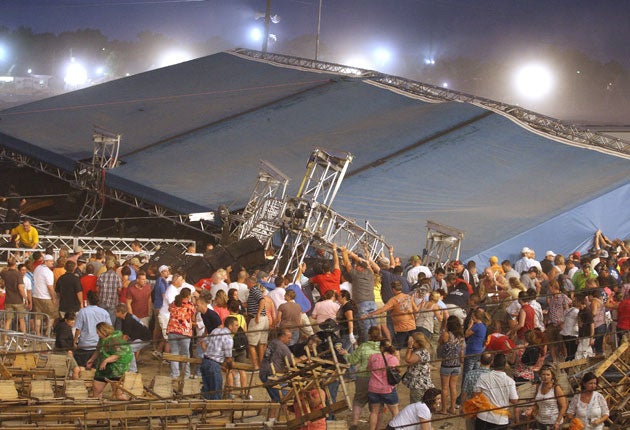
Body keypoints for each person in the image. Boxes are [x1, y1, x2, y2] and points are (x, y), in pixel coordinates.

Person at [346, 326, 382, 430]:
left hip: (363, 377)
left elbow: (353, 360)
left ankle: (354, 422)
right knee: (377, 405)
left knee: (358, 400)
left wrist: (345, 354)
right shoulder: (383, 347)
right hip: (378, 378)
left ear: (369, 335)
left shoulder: (363, 346)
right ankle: (377, 427)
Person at [471, 353, 518, 430]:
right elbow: (514, 400)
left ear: (492, 362)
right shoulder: (510, 381)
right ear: (505, 365)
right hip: (500, 420)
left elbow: (475, 394)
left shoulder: (483, 377)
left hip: (483, 416)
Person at [365, 281, 418, 350]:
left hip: (401, 327)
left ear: (393, 289)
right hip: (411, 324)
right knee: (413, 344)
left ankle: (396, 359)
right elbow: (416, 310)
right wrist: (414, 319)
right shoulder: (408, 297)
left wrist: (369, 314)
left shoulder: (393, 300)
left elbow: (382, 310)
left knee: (397, 348)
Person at [199, 316, 240, 400]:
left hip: (205, 362)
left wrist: (209, 353)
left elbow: (202, 342)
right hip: (214, 365)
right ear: (230, 326)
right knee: (216, 392)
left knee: (207, 391)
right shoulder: (228, 339)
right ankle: (214, 410)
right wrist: (232, 365)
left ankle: (204, 410)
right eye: (236, 325)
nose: (237, 327)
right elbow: (228, 358)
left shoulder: (215, 331)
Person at [259, 328, 295, 419]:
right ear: (282, 336)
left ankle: (270, 420)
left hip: (263, 373)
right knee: (285, 397)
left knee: (275, 398)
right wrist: (301, 359)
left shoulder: (272, 342)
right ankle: (289, 420)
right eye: (288, 338)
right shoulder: (282, 347)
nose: (290, 340)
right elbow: (292, 361)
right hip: (272, 375)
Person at [367, 339, 400, 430]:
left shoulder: (373, 357)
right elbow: (398, 370)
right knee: (395, 412)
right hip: (388, 389)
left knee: (374, 412)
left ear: (381, 348)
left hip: (373, 388)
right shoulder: (393, 359)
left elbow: (368, 368)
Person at [73, 290, 112, 367]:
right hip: (99, 345)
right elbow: (109, 329)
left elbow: (78, 329)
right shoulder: (104, 312)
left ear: (87, 300)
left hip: (85, 345)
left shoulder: (83, 312)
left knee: (82, 368)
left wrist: (75, 341)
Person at [438, 315, 465, 415]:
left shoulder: (446, 334)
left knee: (444, 388)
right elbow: (462, 352)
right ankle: (452, 408)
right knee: (453, 387)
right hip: (457, 365)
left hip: (446, 364)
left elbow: (440, 345)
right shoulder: (460, 337)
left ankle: (444, 409)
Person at [166, 288, 195, 379]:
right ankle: (186, 374)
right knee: (185, 354)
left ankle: (175, 374)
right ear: (188, 296)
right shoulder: (190, 305)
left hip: (172, 330)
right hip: (184, 332)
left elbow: (169, 310)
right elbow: (192, 318)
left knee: (174, 353)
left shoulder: (173, 303)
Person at [530, 365, 567, 430]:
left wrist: (557, 422)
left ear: (552, 376)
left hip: (553, 422)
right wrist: (531, 409)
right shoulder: (539, 386)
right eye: (543, 374)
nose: (545, 377)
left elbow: (563, 406)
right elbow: (536, 403)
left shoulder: (556, 388)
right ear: (540, 375)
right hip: (540, 421)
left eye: (548, 375)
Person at [402, 332, 435, 404]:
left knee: (416, 405)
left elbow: (408, 360)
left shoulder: (419, 352)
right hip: (424, 382)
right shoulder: (425, 350)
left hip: (418, 384)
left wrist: (409, 347)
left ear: (418, 342)